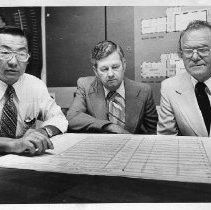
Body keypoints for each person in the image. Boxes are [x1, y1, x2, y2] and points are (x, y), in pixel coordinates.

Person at [0, 26, 68, 155]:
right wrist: (12, 144)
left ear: (28, 58)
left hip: (22, 163)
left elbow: (59, 118)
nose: (13, 62)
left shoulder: (35, 85)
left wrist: (42, 132)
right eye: (5, 53)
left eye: (21, 54)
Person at [67, 40, 158, 134]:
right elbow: (73, 117)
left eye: (115, 67)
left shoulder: (144, 91)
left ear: (124, 65)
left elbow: (152, 133)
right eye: (104, 69)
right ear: (96, 71)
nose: (110, 74)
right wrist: (109, 126)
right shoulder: (85, 85)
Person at [157, 20, 211, 136]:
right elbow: (167, 139)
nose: (195, 57)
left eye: (203, 49)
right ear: (181, 54)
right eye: (188, 51)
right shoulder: (169, 87)